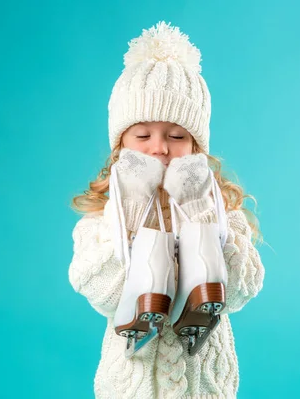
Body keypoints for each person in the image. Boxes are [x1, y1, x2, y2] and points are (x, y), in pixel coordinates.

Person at [69, 21, 265, 398]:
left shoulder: (223, 211)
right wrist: (132, 206)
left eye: (176, 136)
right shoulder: (102, 219)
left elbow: (241, 291)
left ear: (196, 147)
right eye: (142, 136)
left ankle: (197, 248)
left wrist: (200, 210)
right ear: (120, 146)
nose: (159, 148)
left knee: (205, 261)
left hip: (203, 387)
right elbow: (100, 292)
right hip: (131, 388)